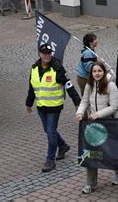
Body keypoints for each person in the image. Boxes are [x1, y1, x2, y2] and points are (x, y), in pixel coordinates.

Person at [26, 43, 81, 172]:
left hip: (54, 107)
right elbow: (32, 87)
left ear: (51, 54)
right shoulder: (34, 68)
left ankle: (50, 160)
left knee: (50, 131)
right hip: (41, 106)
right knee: (48, 129)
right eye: (44, 53)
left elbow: (68, 85)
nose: (47, 56)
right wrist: (29, 103)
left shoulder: (57, 68)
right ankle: (62, 145)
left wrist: (76, 101)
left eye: (49, 53)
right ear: (40, 54)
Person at [75, 62, 118, 193]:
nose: (97, 73)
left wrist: (98, 114)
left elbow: (114, 106)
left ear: (104, 72)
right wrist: (79, 113)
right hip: (93, 124)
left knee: (113, 150)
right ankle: (91, 183)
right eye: (94, 71)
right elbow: (84, 101)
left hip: (108, 122)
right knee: (90, 152)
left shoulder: (111, 85)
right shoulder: (89, 85)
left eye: (99, 71)